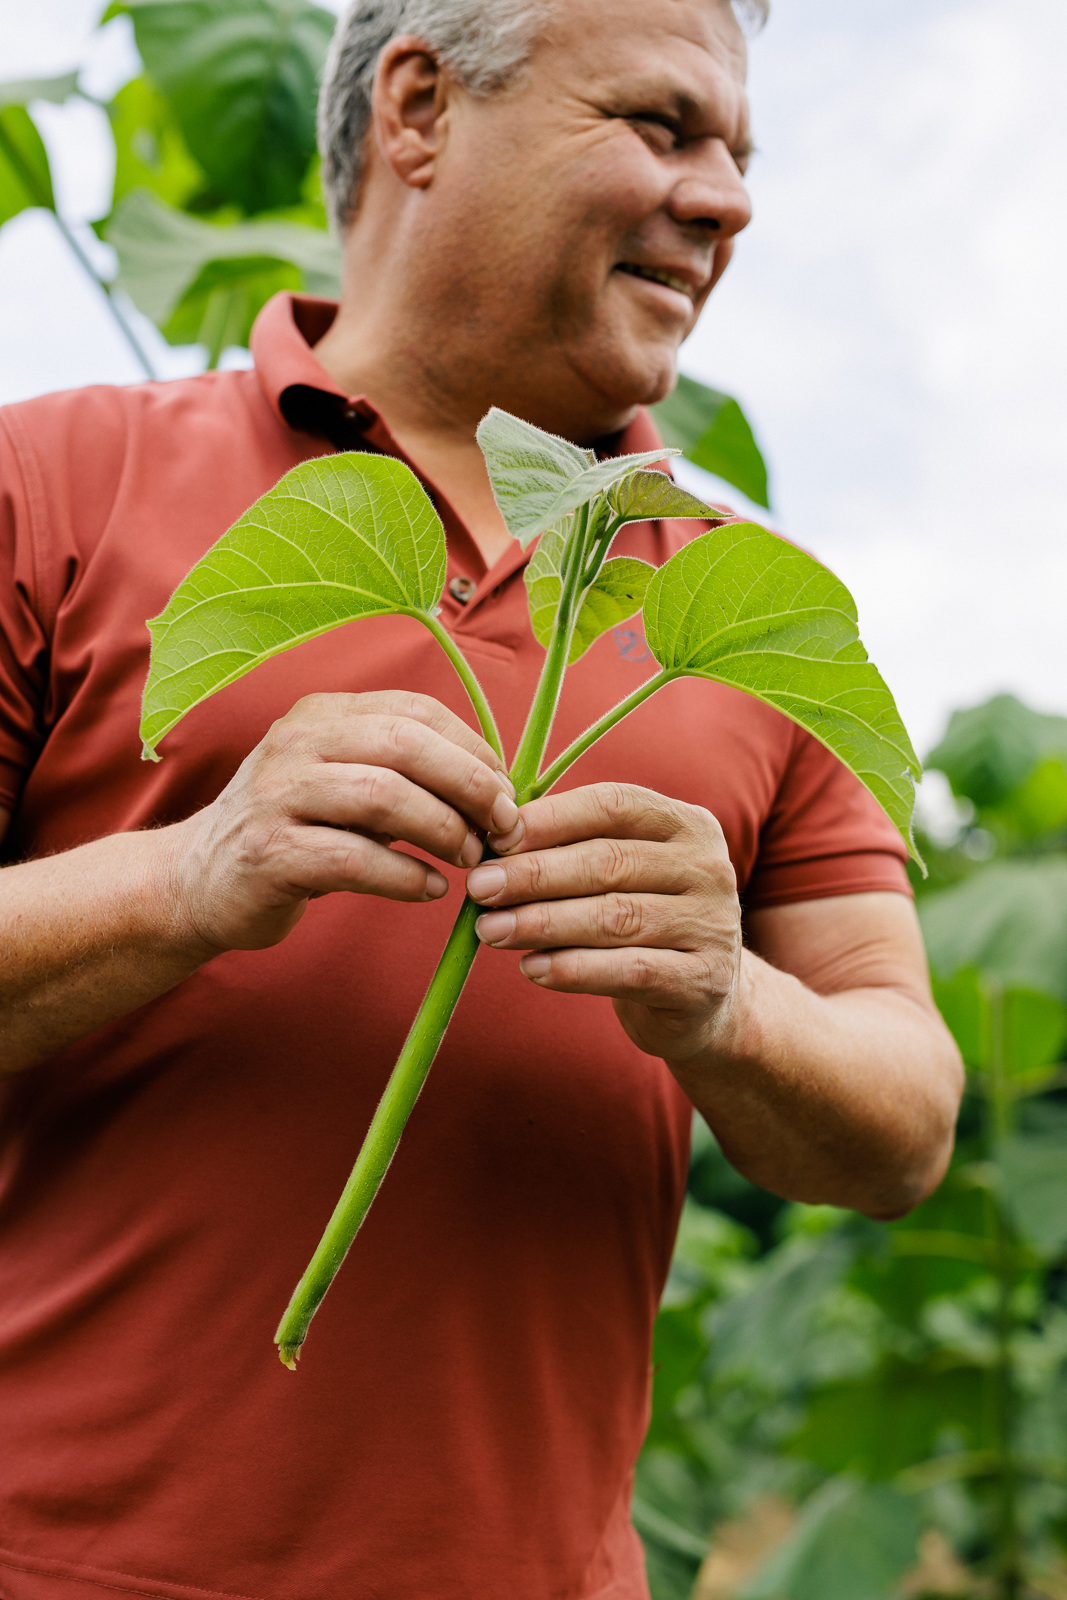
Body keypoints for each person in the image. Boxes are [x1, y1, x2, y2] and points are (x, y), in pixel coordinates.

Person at [0, 0, 962, 1596]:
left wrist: (728, 1003)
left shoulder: (751, 605)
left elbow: (905, 1124)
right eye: (662, 125)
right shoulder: (51, 482)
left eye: (740, 152)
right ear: (421, 109)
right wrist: (185, 878)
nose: (727, 198)